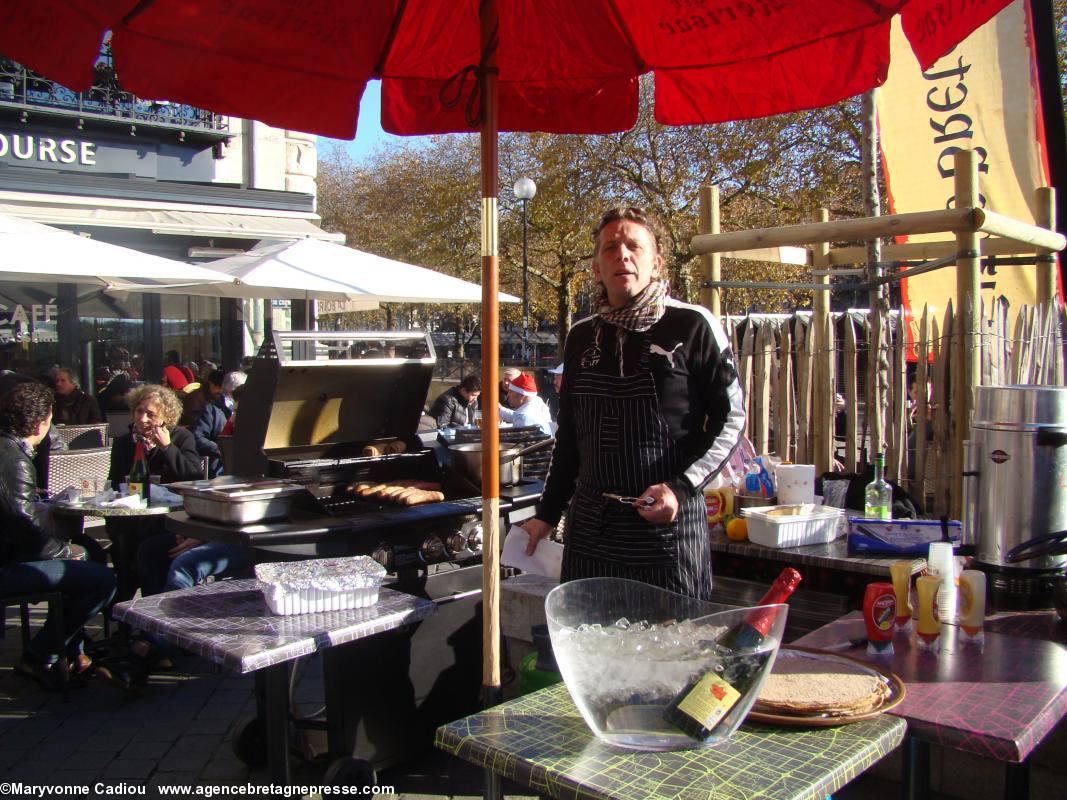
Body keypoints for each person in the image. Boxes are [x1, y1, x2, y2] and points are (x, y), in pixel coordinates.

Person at [519, 207, 745, 601]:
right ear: (596, 268)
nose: (622, 255)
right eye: (610, 248)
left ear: (655, 263)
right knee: (590, 655)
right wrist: (546, 513)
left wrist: (680, 487)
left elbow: (731, 421)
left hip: (666, 532)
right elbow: (570, 433)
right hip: (590, 532)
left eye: (634, 247)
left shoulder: (693, 325)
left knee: (670, 655)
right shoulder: (580, 337)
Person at [0, 381, 116, 690]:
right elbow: (21, 526)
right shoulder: (12, 459)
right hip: (9, 564)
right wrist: (65, 552)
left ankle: (74, 652)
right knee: (102, 579)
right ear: (40, 423)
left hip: (12, 552)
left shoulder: (10, 450)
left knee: (91, 549)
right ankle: (40, 656)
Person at [108, 384, 204, 486]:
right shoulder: (123, 442)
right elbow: (114, 483)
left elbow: (195, 477)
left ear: (166, 417)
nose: (142, 419)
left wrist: (167, 447)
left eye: (151, 414)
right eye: (139, 411)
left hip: (173, 499)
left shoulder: (181, 437)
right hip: (134, 499)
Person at [192, 370, 245, 476]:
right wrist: (218, 448)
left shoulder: (248, 410)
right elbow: (197, 438)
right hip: (219, 465)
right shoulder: (212, 410)